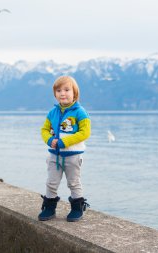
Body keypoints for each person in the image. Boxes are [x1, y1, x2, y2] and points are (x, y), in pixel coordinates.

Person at [39, 75, 91, 222]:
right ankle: (49, 207)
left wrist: (64, 142)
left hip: (73, 156)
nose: (63, 93)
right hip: (54, 156)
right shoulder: (52, 112)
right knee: (51, 182)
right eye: (59, 90)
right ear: (55, 94)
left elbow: (85, 133)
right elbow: (44, 129)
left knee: (73, 182)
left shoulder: (80, 112)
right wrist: (49, 140)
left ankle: (77, 208)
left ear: (75, 93)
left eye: (67, 90)